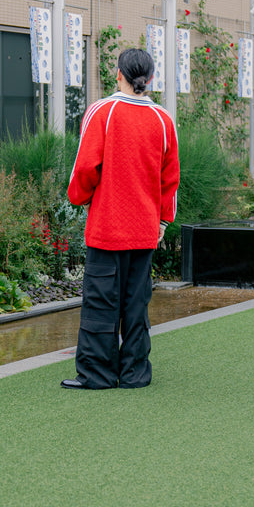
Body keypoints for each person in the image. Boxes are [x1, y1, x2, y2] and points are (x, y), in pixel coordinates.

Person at [61, 48, 180, 389]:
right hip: (144, 230)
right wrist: (161, 224)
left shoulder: (102, 112)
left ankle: (97, 375)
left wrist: (80, 198)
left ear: (118, 74)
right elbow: (170, 180)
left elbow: (84, 168)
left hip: (106, 227)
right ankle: (135, 373)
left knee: (101, 302)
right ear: (151, 78)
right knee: (136, 304)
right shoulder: (163, 120)